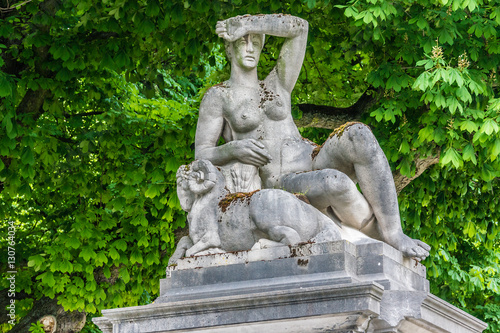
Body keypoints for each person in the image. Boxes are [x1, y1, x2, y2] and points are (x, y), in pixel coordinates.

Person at [194, 14, 430, 260]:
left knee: (358, 133)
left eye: (256, 41)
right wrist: (234, 149)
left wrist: (249, 24)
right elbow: (202, 154)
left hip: (313, 155)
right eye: (243, 42)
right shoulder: (219, 96)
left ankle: (394, 233)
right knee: (334, 182)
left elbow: (300, 28)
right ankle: (374, 237)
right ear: (229, 49)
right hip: (283, 178)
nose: (250, 47)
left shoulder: (276, 86)